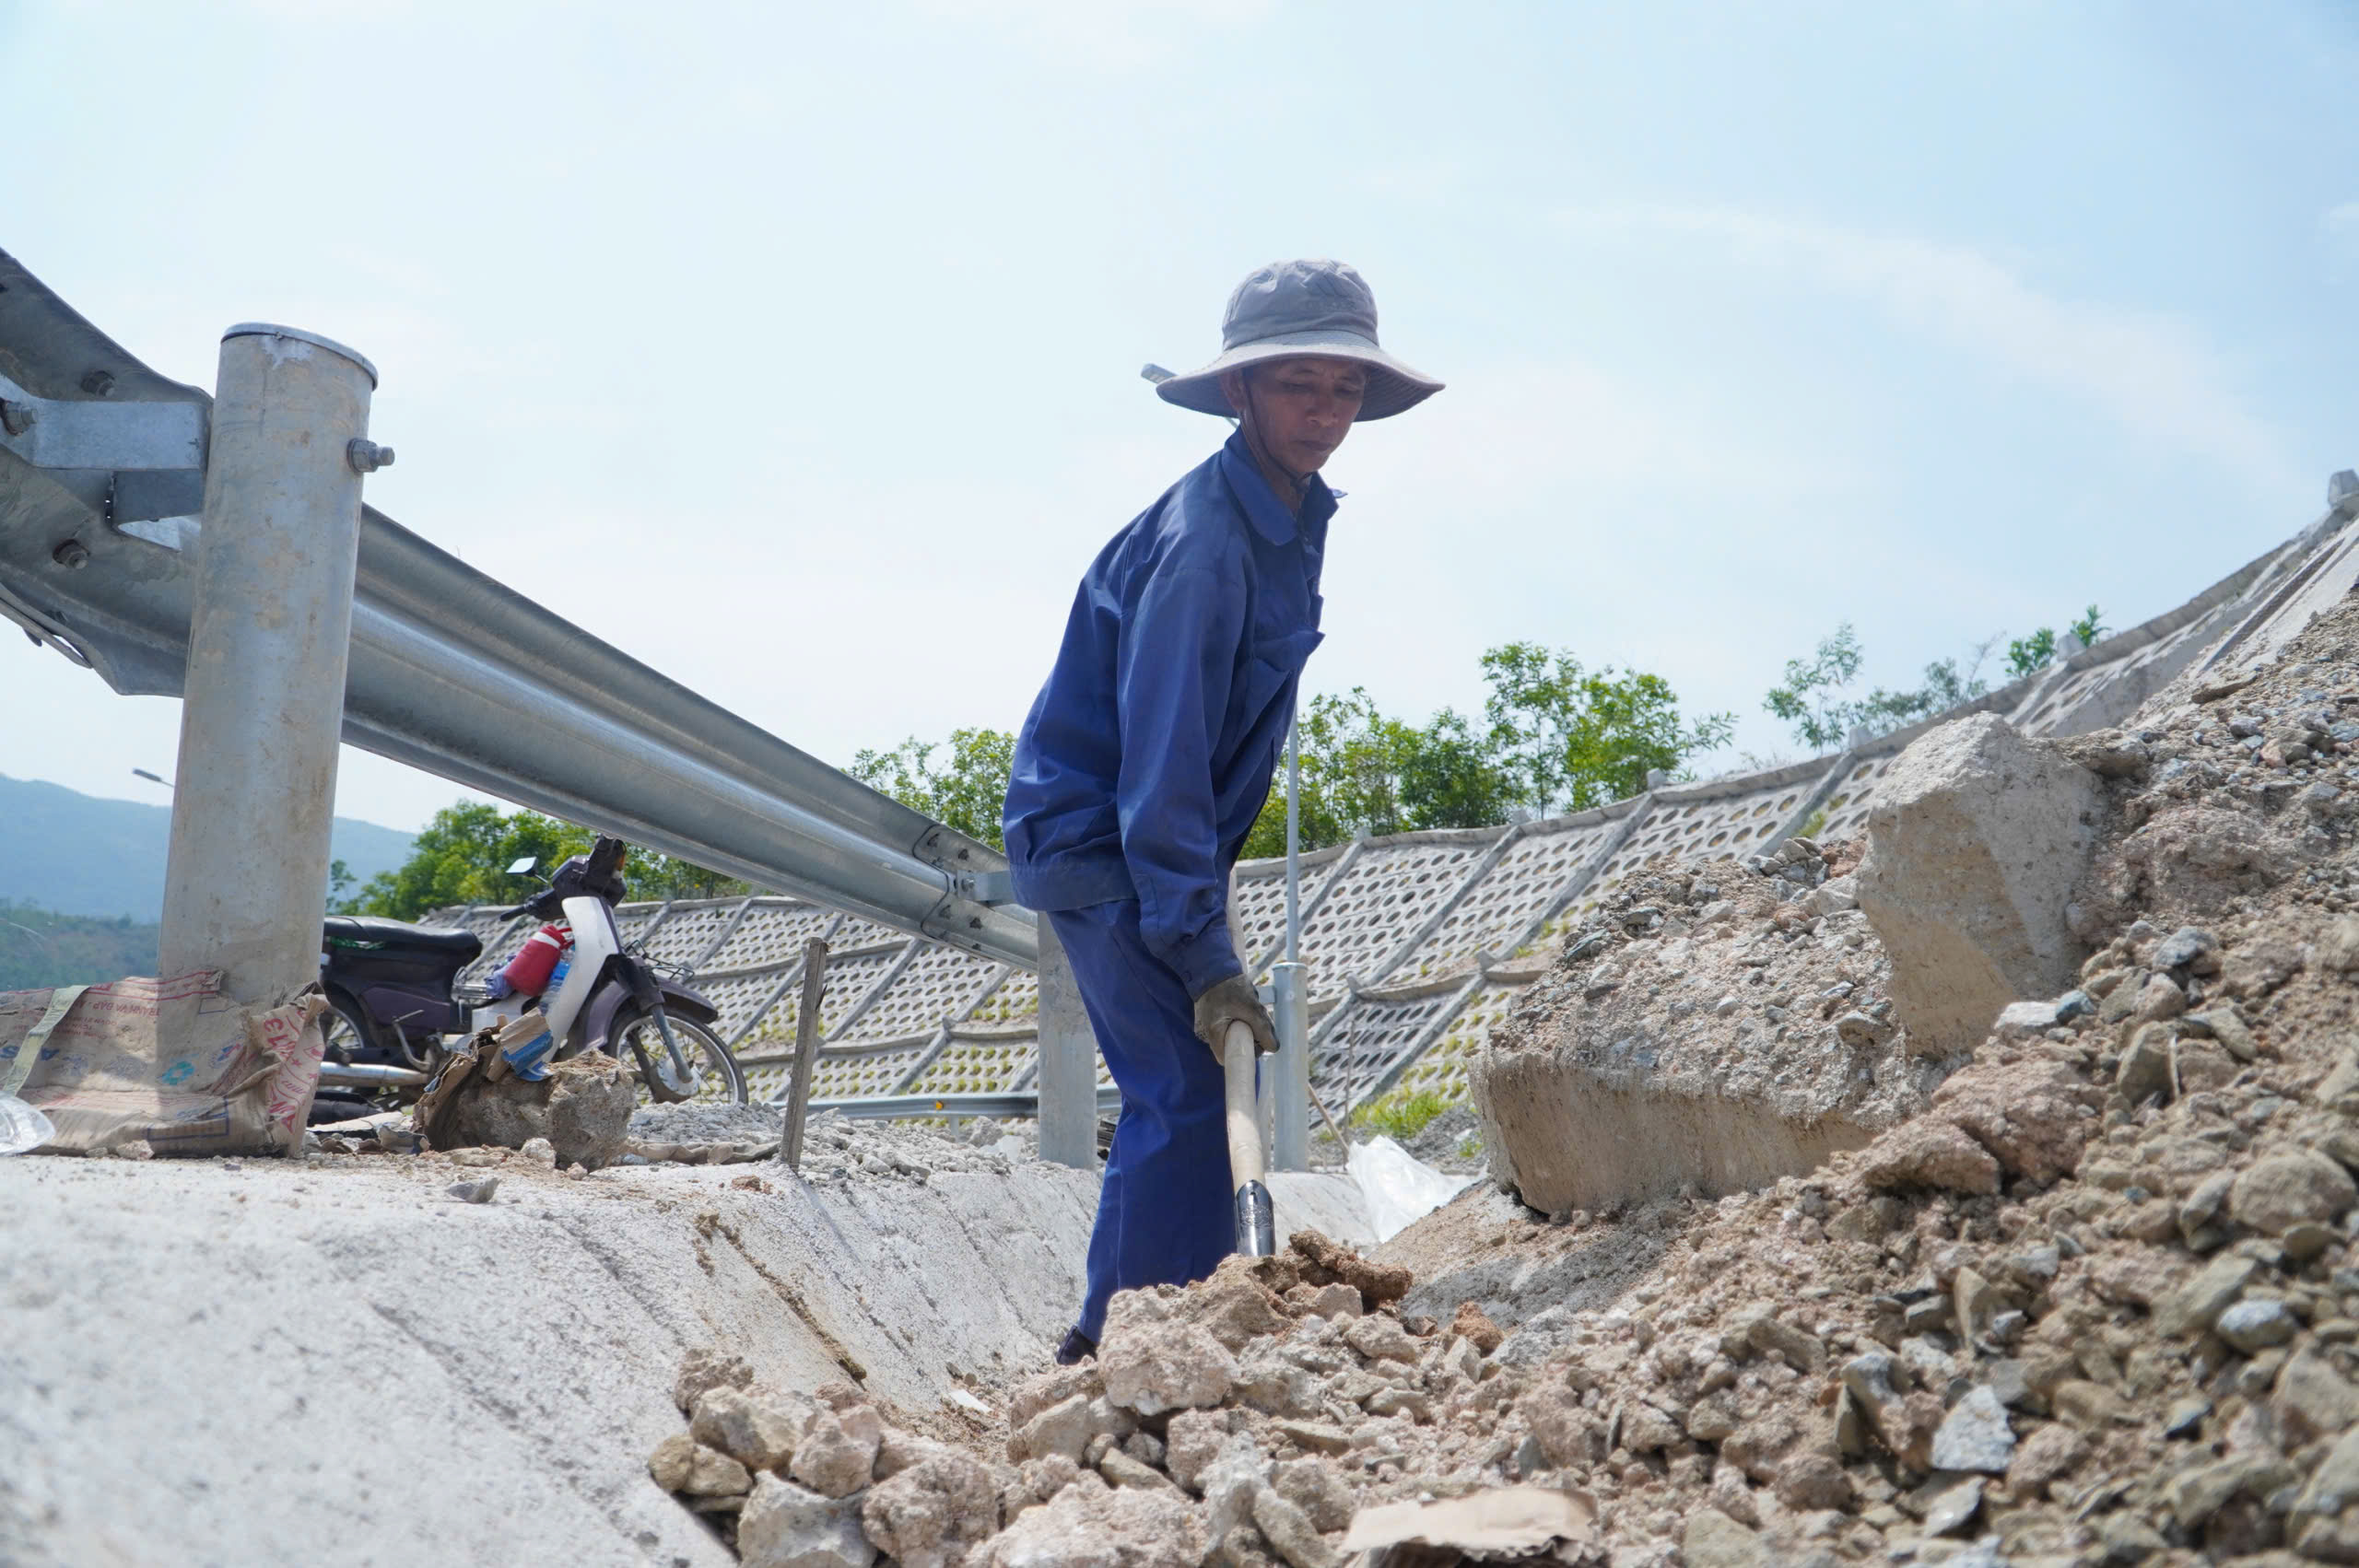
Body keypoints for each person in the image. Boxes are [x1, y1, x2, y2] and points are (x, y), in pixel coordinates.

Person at [1002, 258, 1443, 1363]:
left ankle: (1169, 1329)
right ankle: (1128, 1354)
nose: (1325, 413)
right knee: (1188, 1098)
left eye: (1345, 390)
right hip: (1100, 834)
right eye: (1299, 384)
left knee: (1192, 1092)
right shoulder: (1204, 544)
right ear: (1241, 391)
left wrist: (1204, 928)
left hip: (1150, 838)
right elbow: (1163, 761)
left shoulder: (1290, 515)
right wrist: (1204, 958)